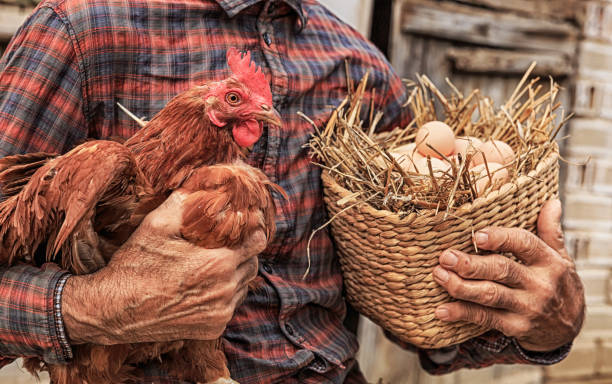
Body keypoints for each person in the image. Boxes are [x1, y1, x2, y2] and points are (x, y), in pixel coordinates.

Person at [0, 0, 584, 383]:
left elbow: (420, 309)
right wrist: (91, 307)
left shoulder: (361, 69)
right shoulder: (78, 32)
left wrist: (543, 323)